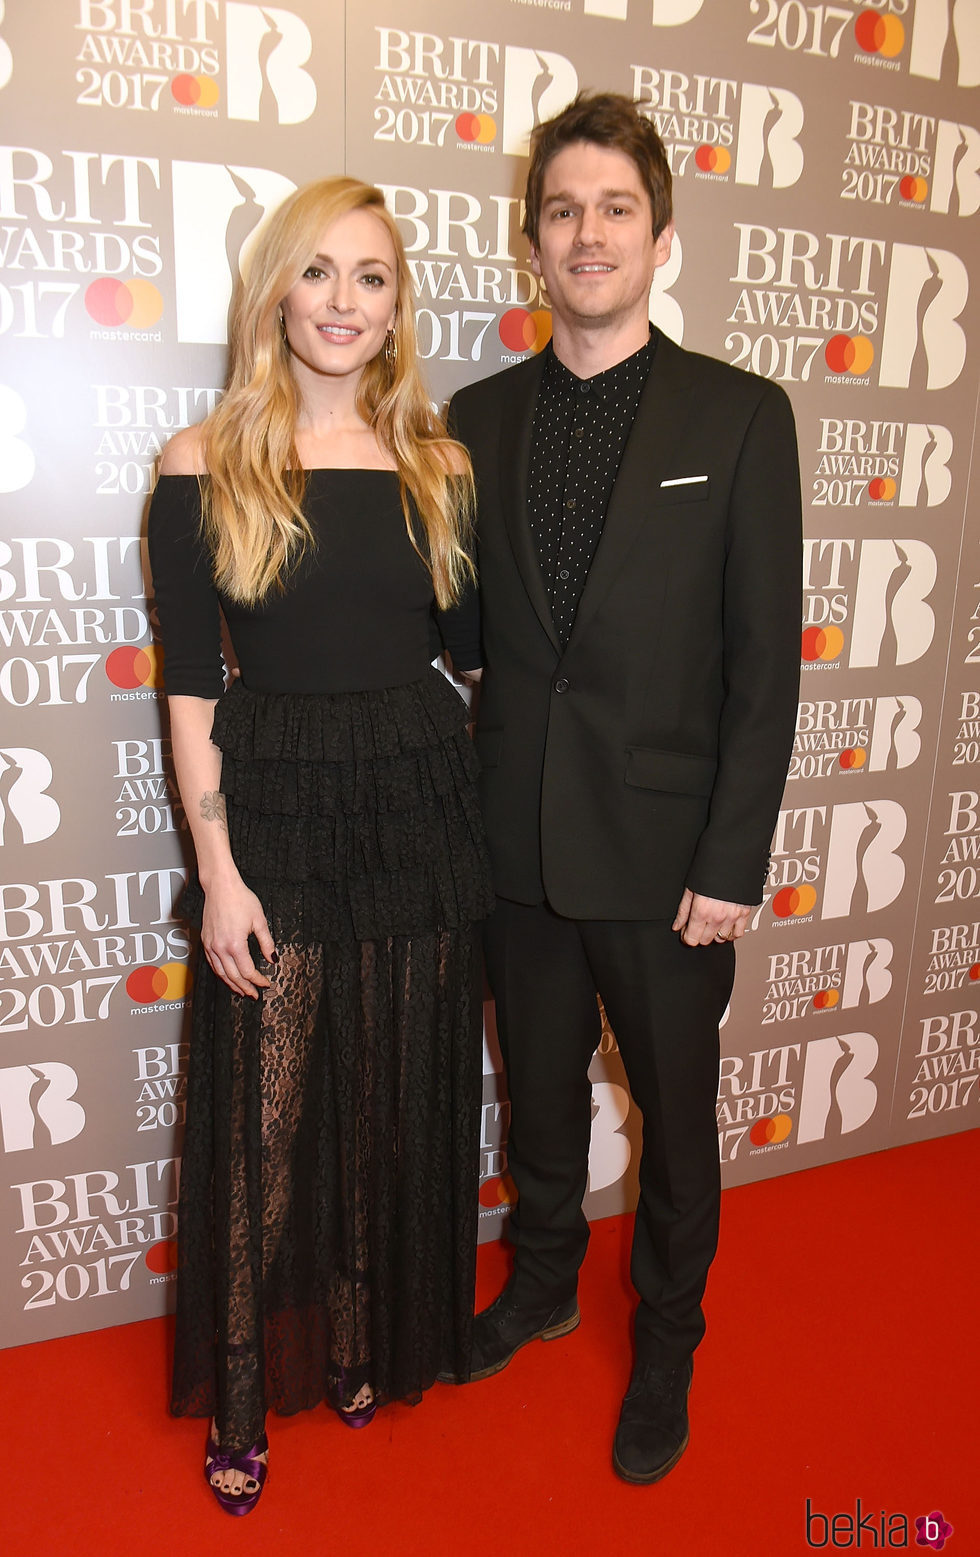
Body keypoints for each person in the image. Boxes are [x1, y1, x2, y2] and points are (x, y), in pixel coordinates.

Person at [448, 93, 802, 1484]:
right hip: (514, 844)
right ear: (531, 241)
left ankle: (668, 1333)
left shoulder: (743, 414)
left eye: (613, 209)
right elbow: (464, 630)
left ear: (662, 235)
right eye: (560, 210)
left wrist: (732, 857)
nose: (585, 233)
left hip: (668, 863)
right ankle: (541, 1285)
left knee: (674, 1112)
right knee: (536, 1095)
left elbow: (764, 667)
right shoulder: (474, 417)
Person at [148, 176, 493, 1515]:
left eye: (372, 277)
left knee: (380, 1095)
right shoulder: (203, 461)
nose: (344, 302)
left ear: (398, 306)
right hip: (276, 799)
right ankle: (242, 1387)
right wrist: (220, 871)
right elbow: (189, 691)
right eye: (319, 273)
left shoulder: (438, 466)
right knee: (266, 1118)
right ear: (276, 291)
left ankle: (357, 1335)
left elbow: (475, 663)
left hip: (416, 798)